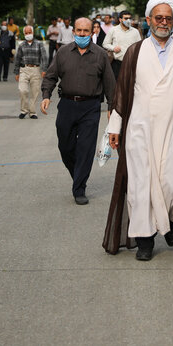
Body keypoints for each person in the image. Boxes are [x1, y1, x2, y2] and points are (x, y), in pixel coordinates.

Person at [103, 0, 173, 260]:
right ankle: (145, 241)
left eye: (168, 18)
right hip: (139, 133)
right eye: (158, 17)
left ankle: (170, 219)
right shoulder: (135, 52)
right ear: (149, 20)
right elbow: (123, 94)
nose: (163, 22)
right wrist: (115, 129)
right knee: (140, 187)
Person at [41, 17, 116, 205]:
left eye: (86, 31)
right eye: (79, 31)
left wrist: (112, 108)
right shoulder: (63, 53)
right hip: (66, 106)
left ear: (93, 32)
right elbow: (51, 76)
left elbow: (110, 84)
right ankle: (78, 174)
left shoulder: (101, 55)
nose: (82, 34)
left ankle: (79, 188)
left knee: (85, 148)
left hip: (90, 108)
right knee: (65, 147)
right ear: (74, 31)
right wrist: (46, 95)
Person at [14, 25, 47, 120]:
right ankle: (24, 110)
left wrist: (44, 69)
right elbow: (17, 59)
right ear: (24, 34)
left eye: (30, 32)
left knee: (34, 92)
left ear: (32, 33)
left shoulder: (39, 44)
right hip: (24, 69)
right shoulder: (21, 45)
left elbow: (44, 57)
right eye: (26, 33)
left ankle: (32, 112)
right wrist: (16, 73)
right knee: (22, 90)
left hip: (35, 69)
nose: (28, 34)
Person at [103, 10, 142, 80]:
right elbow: (105, 44)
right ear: (120, 19)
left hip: (131, 63)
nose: (128, 20)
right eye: (126, 18)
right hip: (117, 64)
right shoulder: (113, 30)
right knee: (116, 86)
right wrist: (113, 48)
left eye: (130, 18)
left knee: (129, 85)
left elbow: (139, 46)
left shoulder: (135, 31)